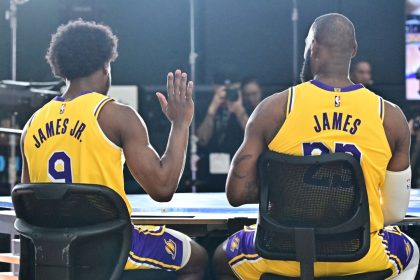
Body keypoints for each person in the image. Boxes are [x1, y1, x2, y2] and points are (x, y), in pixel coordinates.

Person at [213, 13, 419, 279]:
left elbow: (236, 193)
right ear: (354, 50)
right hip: (360, 255)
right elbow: (394, 212)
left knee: (220, 256)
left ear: (313, 48)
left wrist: (289, 192)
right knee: (411, 251)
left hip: (284, 257)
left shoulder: (273, 109)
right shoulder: (390, 116)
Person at [19, 20, 207, 279]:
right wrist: (180, 124)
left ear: (62, 70)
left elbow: (30, 205)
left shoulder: (32, 124)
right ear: (105, 66)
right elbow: (163, 188)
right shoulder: (116, 115)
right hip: (109, 248)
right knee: (198, 257)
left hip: (53, 254)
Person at [196, 77, 263, 191]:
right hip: (210, 175)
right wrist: (211, 111)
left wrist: (239, 111)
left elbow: (258, 139)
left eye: (231, 90)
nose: (227, 94)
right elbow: (202, 140)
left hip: (240, 172)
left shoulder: (250, 107)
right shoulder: (207, 106)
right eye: (223, 90)